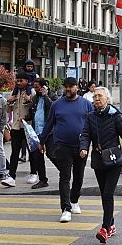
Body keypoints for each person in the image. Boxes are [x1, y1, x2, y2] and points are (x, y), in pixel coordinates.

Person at [80, 87, 122, 243]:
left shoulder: (115, 116)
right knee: (104, 194)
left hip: (114, 160)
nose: (97, 99)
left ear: (107, 99)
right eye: (94, 97)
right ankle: (111, 224)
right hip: (99, 160)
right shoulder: (90, 116)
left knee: (108, 194)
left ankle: (105, 228)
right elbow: (86, 134)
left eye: (99, 96)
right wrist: (84, 148)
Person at [38, 76, 94, 223]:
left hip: (81, 146)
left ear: (77, 87)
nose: (68, 89)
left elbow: (94, 125)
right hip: (62, 146)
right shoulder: (57, 105)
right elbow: (49, 124)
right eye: (66, 86)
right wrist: (41, 141)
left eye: (71, 86)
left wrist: (98, 143)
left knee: (79, 176)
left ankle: (74, 200)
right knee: (64, 177)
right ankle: (66, 208)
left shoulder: (87, 105)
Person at [26, 77, 53, 189]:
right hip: (37, 131)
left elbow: (52, 107)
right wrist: (25, 118)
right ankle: (43, 179)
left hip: (49, 131)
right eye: (34, 87)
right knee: (37, 156)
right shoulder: (35, 98)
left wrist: (45, 95)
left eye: (37, 87)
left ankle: (65, 170)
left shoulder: (51, 96)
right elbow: (33, 112)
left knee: (52, 154)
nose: (36, 89)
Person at [6, 73, 32, 186]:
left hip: (28, 127)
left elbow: (35, 109)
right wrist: (9, 101)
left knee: (32, 152)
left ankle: (34, 173)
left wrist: (30, 100)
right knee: (14, 152)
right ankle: (11, 176)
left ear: (27, 81)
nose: (19, 83)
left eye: (21, 81)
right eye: (17, 80)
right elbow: (8, 110)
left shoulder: (32, 92)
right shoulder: (14, 92)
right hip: (16, 127)